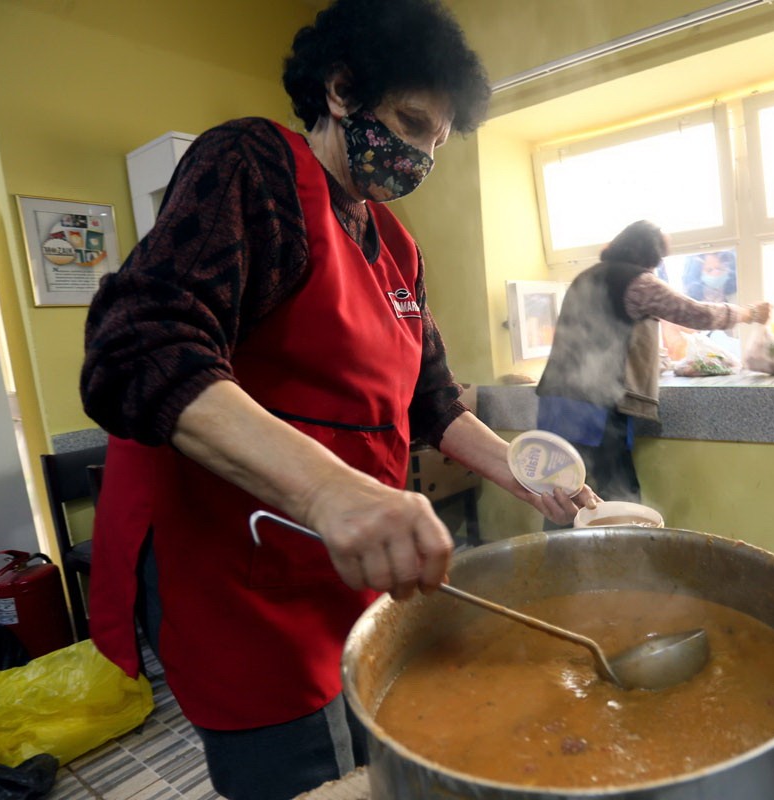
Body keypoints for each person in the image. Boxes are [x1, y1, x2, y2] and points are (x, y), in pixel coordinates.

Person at [79, 2, 595, 797]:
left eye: (437, 141)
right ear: (343, 90)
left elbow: (434, 405)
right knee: (301, 775)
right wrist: (326, 489)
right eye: (411, 121)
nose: (421, 154)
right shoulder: (252, 166)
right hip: (242, 580)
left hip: (349, 569)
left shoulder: (396, 245)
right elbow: (138, 348)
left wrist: (530, 476)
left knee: (372, 757)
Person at [536, 221, 769, 514]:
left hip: (555, 401)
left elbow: (606, 335)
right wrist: (749, 313)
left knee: (559, 494)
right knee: (613, 497)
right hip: (593, 408)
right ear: (648, 254)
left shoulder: (587, 277)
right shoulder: (637, 282)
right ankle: (624, 555)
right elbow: (694, 313)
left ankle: (557, 556)